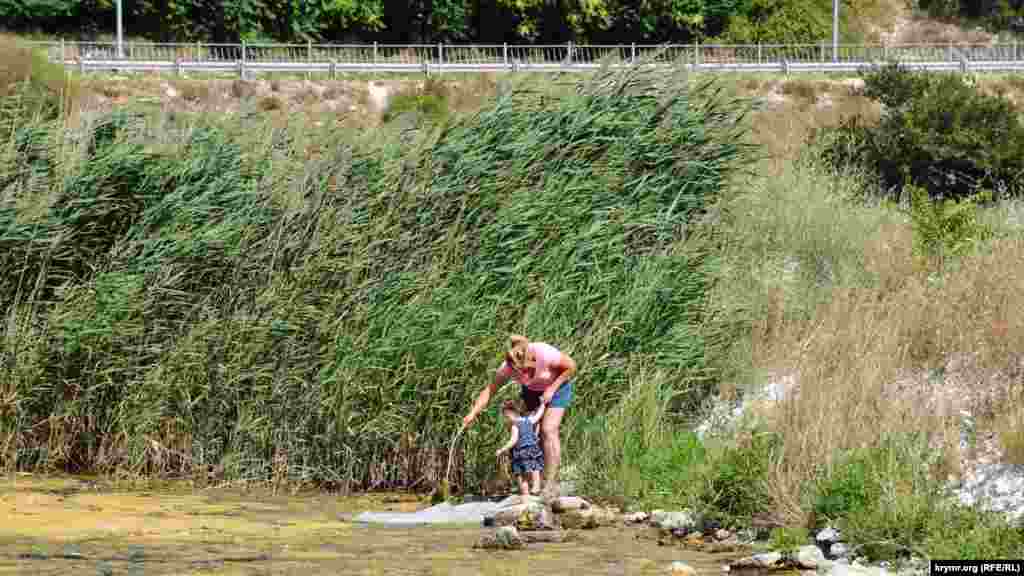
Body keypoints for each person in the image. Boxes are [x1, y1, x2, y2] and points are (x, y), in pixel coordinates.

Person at [462, 334, 577, 498]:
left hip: (557, 388)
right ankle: (535, 483)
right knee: (531, 434)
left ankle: (550, 483)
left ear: (532, 359)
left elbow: (571, 366)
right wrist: (472, 413)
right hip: (531, 392)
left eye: (526, 370)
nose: (523, 373)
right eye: (519, 371)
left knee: (548, 430)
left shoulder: (545, 353)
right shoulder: (507, 367)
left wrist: (552, 389)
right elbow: (490, 390)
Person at [495, 399, 546, 497]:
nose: (507, 419)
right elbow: (538, 415)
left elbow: (513, 440)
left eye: (507, 416)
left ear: (512, 413)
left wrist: (502, 449)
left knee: (521, 475)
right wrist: (543, 404)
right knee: (535, 468)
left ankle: (525, 493)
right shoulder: (529, 420)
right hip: (533, 449)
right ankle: (536, 487)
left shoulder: (515, 426)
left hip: (521, 452)